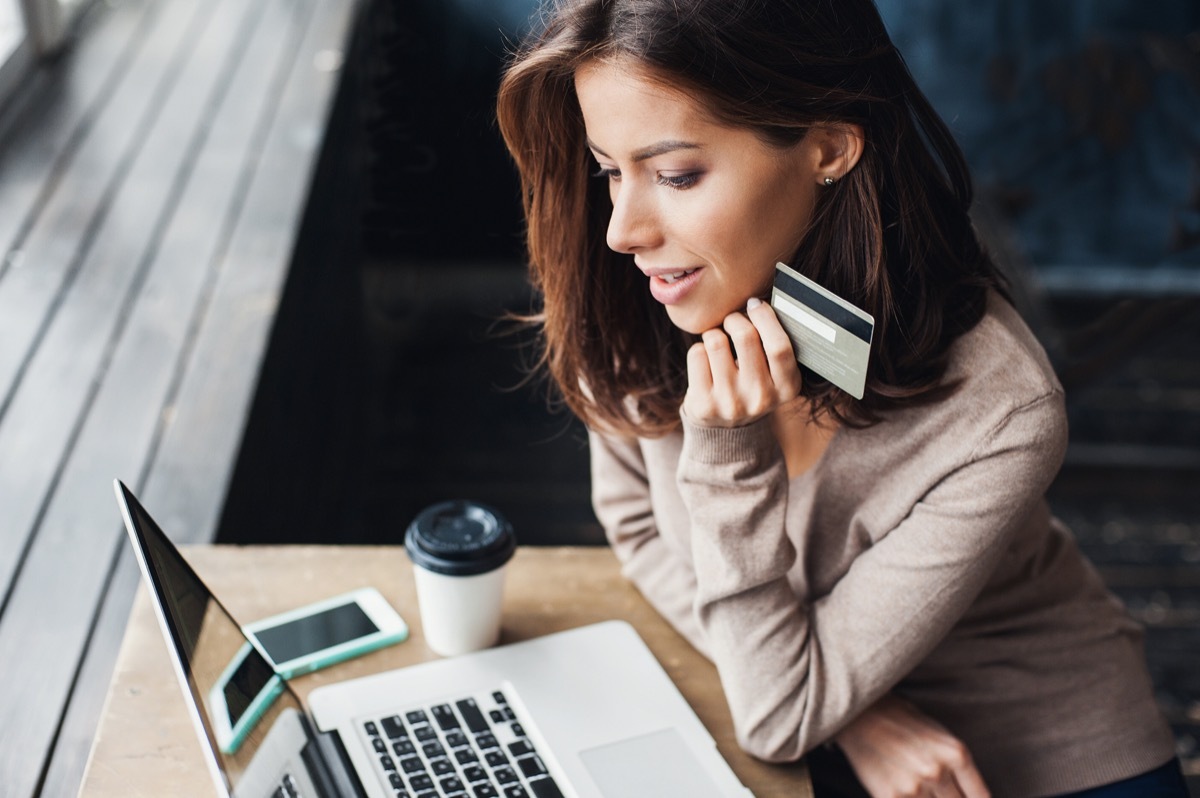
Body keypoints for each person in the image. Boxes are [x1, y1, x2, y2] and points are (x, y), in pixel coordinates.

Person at [494, 1, 1186, 795]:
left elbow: (778, 715)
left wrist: (727, 462)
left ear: (827, 147)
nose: (622, 229)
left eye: (677, 174)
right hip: (800, 713)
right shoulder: (638, 293)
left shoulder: (1003, 410)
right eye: (610, 170)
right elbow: (641, 528)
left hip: (1029, 747)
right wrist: (855, 717)